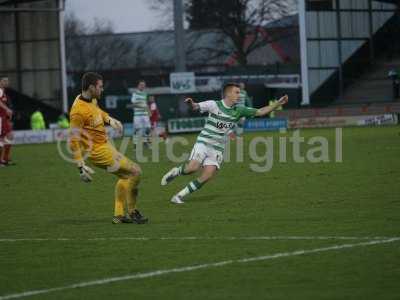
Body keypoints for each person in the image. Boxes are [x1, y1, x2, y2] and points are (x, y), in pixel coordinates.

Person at [161, 82, 288, 204]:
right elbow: (196, 106)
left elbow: (260, 112)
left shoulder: (239, 110)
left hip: (218, 147)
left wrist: (277, 103)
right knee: (192, 168)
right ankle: (176, 171)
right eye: (237, 92)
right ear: (228, 94)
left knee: (207, 176)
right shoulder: (213, 104)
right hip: (204, 142)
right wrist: (191, 103)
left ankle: (178, 196)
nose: (239, 95)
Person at [69, 72, 148, 224]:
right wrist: (80, 166)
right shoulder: (78, 111)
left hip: (105, 146)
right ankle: (132, 212)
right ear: (91, 87)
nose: (102, 89)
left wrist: (110, 120)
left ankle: (119, 215)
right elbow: (73, 139)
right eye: (100, 86)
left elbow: (98, 112)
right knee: (136, 172)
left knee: (125, 176)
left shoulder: (91, 99)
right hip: (97, 151)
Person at [131, 80, 151, 147]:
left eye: (144, 85)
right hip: (137, 115)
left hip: (145, 114)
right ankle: (135, 143)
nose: (143, 86)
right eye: (141, 85)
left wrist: (149, 111)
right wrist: (141, 106)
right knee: (137, 129)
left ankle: (145, 141)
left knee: (148, 128)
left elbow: (146, 104)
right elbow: (133, 104)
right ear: (138, 86)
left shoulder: (145, 94)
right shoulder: (135, 93)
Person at [0, 75, 15, 167]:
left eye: (7, 81)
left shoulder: (4, 92)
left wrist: (7, 113)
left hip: (4, 118)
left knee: (10, 136)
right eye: (4, 81)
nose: (7, 82)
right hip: (0, 118)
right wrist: (7, 109)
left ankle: (5, 159)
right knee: (1, 139)